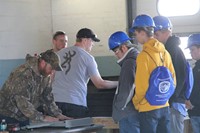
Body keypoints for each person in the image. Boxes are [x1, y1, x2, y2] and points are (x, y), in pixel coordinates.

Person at [52, 28, 118, 118]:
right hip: (75, 104)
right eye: (92, 41)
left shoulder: (58, 54)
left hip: (55, 103)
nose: (93, 44)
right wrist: (119, 83)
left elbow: (50, 78)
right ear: (85, 40)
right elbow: (99, 84)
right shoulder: (87, 58)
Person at [130, 14, 176, 133]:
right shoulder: (165, 53)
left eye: (135, 33)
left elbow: (141, 88)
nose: (136, 37)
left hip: (148, 108)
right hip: (164, 106)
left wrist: (135, 102)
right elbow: (173, 81)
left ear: (142, 32)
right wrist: (164, 98)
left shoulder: (143, 56)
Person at [0, 50, 70, 127]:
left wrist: (58, 115)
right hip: (7, 115)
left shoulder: (45, 76)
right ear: (43, 63)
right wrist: (42, 117)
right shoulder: (23, 74)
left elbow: (47, 97)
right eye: (51, 68)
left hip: (24, 116)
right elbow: (22, 102)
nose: (52, 72)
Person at [153, 16, 188, 133]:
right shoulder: (166, 50)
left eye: (156, 34)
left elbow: (180, 77)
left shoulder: (174, 51)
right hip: (171, 101)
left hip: (174, 103)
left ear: (167, 32)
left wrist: (169, 99)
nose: (154, 38)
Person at [108, 31, 140, 133]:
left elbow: (128, 88)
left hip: (128, 113)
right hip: (135, 111)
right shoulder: (137, 59)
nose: (116, 55)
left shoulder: (129, 62)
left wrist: (119, 110)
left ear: (124, 48)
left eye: (116, 51)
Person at [185, 33, 200, 133]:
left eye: (193, 49)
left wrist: (191, 102)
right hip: (195, 111)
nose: (191, 53)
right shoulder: (195, 68)